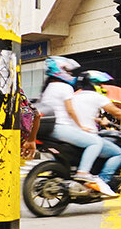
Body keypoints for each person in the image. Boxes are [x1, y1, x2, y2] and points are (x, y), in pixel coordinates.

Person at [38, 56, 115, 196]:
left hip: (50, 129)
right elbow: (70, 110)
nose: (71, 74)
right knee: (95, 142)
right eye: (68, 70)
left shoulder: (48, 88)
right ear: (60, 70)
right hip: (60, 128)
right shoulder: (65, 87)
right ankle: (83, 172)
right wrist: (82, 126)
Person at [69, 74, 121, 194]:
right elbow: (116, 112)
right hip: (88, 136)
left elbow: (80, 114)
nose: (102, 87)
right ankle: (103, 182)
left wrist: (98, 120)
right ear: (94, 85)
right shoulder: (96, 96)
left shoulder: (74, 96)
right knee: (118, 153)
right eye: (100, 84)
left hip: (73, 135)